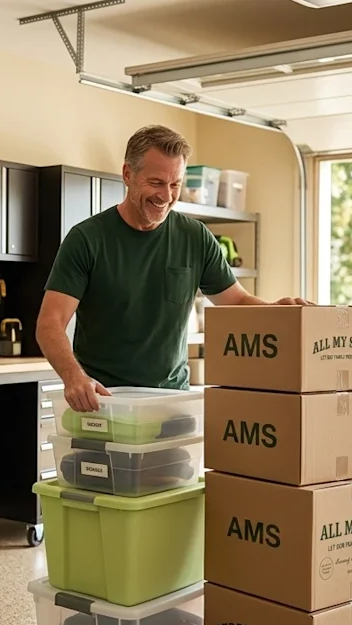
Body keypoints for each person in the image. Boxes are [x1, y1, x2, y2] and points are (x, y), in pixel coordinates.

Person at [36, 124, 312, 412]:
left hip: (172, 405)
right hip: (104, 403)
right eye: (156, 182)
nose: (166, 195)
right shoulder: (87, 239)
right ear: (128, 175)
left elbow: (236, 301)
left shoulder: (195, 237)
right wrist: (74, 377)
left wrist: (276, 311)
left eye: (175, 184)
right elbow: (50, 323)